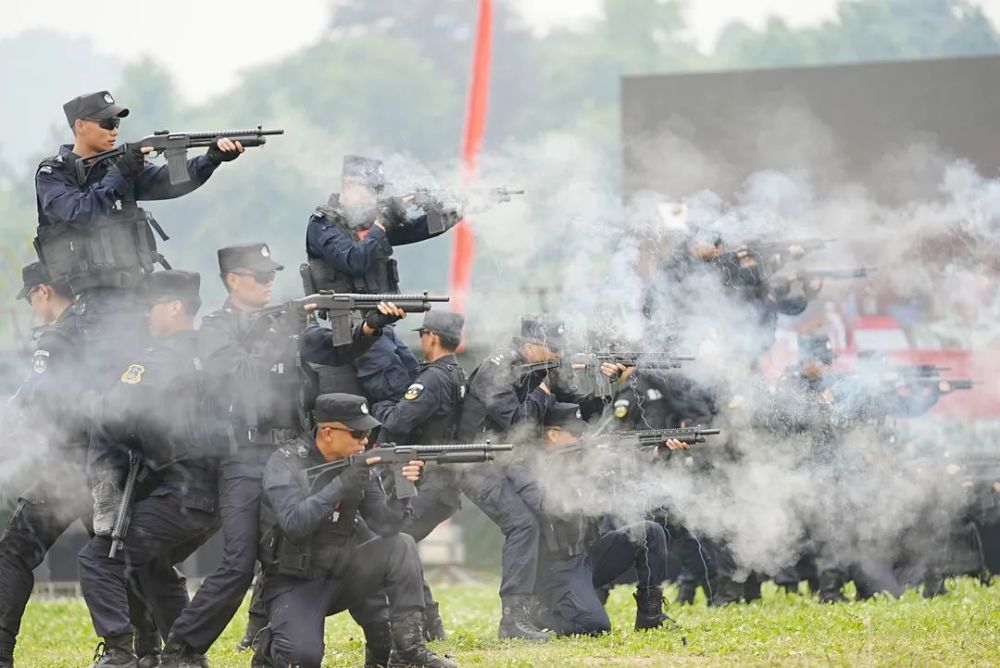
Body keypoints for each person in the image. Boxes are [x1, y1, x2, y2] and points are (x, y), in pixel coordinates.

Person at [160, 243, 402, 665]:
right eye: (260, 275)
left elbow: (333, 349)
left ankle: (392, 645)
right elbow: (240, 377)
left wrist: (370, 328)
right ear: (234, 280)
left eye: (272, 274)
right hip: (247, 457)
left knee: (352, 540)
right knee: (239, 562)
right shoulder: (218, 328)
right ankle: (183, 649)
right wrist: (279, 329)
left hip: (298, 453)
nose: (270, 281)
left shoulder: (284, 324)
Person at [34, 90, 245, 538]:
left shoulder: (118, 167)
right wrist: (124, 168)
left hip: (137, 301)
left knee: (142, 387)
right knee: (111, 393)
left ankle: (144, 474)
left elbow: (170, 182)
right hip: (97, 305)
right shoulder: (53, 173)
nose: (114, 130)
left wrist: (210, 159)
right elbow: (79, 212)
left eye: (118, 123)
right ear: (80, 127)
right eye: (106, 123)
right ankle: (105, 482)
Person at [77, 271, 223, 668]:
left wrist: (102, 471)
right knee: (153, 563)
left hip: (178, 491)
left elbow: (113, 415)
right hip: (218, 495)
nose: (147, 315)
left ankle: (120, 652)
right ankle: (185, 656)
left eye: (153, 306)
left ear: (174, 306)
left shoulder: (155, 360)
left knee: (99, 559)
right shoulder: (216, 350)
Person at [255, 393, 456, 668]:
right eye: (357, 433)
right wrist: (342, 484)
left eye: (368, 433)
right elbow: (294, 524)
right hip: (295, 580)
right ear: (327, 432)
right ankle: (270, 646)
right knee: (302, 659)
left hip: (342, 572)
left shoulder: (357, 464)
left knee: (402, 544)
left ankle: (410, 651)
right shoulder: (286, 462)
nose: (365, 441)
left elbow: (386, 525)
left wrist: (402, 488)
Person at [452, 315, 619, 640]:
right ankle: (512, 621)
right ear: (530, 346)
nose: (559, 355)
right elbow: (516, 424)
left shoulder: (546, 366)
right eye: (553, 349)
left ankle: (542, 606)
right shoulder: (497, 369)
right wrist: (545, 387)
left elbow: (579, 411)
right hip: (476, 460)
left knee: (546, 513)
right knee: (522, 523)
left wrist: (605, 384)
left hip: (512, 460)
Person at [505, 403, 672, 636]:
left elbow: (628, 462)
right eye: (575, 434)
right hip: (558, 568)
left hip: (589, 554)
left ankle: (650, 618)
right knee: (595, 626)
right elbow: (550, 507)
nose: (582, 438)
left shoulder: (581, 459)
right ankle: (540, 614)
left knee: (651, 532)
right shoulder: (529, 468)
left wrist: (658, 451)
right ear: (553, 435)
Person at [303, 155, 456, 403]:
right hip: (352, 327)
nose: (376, 196)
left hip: (381, 323)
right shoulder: (323, 225)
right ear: (349, 185)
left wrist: (457, 208)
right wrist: (383, 223)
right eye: (372, 188)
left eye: (379, 189)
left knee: (415, 378)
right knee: (398, 395)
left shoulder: (367, 224)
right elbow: (353, 260)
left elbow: (420, 229)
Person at [0, 263, 87, 667]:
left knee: (14, 552)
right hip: (109, 462)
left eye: (32, 297)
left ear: (44, 290)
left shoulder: (54, 340)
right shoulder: (94, 326)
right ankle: (147, 650)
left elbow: (38, 402)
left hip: (67, 470)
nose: (34, 307)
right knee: (125, 557)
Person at [372, 311, 468, 640]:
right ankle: (430, 625)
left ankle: (421, 626)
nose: (421, 340)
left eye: (423, 334)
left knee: (392, 544)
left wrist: (379, 407)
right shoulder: (458, 374)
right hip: (442, 483)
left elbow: (398, 420)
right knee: (403, 547)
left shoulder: (432, 379)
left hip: (429, 481)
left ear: (433, 337)